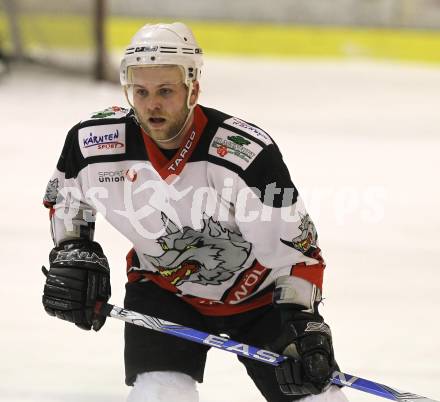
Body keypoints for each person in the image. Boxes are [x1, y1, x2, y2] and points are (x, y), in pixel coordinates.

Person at [41, 22, 348, 402]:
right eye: (142, 92)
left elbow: (298, 253)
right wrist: (74, 249)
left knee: (317, 399)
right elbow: (67, 199)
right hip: (164, 291)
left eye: (166, 91)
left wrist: (303, 321)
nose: (152, 104)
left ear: (193, 89)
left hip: (262, 298)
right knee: (159, 394)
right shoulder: (93, 143)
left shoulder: (246, 153)